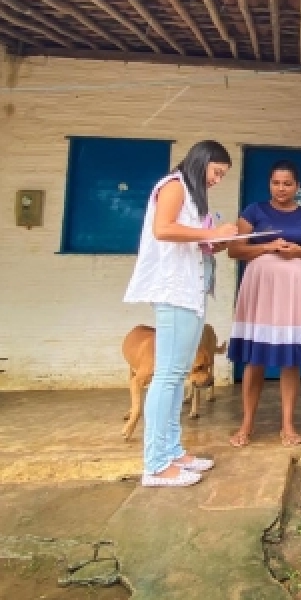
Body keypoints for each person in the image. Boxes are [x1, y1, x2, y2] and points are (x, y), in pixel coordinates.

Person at [124, 140, 239, 487]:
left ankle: (173, 452)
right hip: (173, 292)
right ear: (201, 162)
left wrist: (214, 242)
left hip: (190, 292)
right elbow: (163, 229)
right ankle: (156, 464)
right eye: (216, 172)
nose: (218, 180)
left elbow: (187, 238)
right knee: (168, 376)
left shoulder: (191, 194)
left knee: (177, 376)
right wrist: (211, 232)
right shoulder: (173, 186)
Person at [227, 160, 301, 448]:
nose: (280, 189)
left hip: (295, 290)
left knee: (290, 358)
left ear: (298, 186)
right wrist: (268, 247)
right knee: (255, 357)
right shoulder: (253, 212)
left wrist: (298, 251)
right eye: (275, 183)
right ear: (269, 183)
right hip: (261, 290)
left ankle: (288, 425)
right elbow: (235, 250)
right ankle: (246, 425)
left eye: (287, 183)